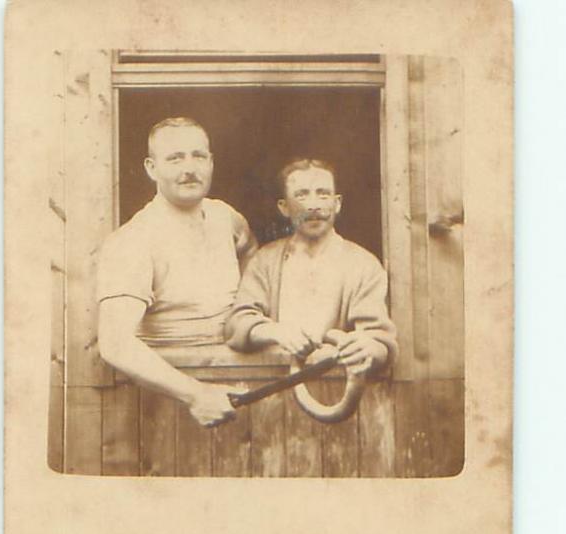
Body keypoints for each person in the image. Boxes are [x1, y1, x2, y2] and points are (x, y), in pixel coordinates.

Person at [97, 117, 257, 427]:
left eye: (198, 156)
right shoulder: (132, 241)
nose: (189, 168)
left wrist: (250, 314)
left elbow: (251, 252)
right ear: (151, 167)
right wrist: (195, 394)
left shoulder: (225, 217)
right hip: (169, 405)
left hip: (243, 383)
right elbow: (115, 343)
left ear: (210, 162)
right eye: (175, 158)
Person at [225, 158, 397, 372]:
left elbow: (379, 341)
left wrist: (369, 347)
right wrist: (275, 332)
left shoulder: (364, 265)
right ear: (284, 207)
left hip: (338, 390)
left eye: (323, 193)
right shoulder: (265, 261)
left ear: (337, 203)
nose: (314, 205)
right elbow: (237, 323)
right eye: (302, 194)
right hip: (273, 386)